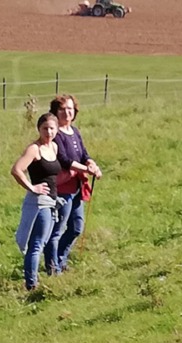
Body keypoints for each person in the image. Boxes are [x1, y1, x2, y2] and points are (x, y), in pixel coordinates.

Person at [47, 94, 101, 274]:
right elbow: (64, 160)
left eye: (70, 109)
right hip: (63, 189)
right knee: (56, 230)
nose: (67, 112)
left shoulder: (75, 131)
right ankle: (53, 268)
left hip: (76, 187)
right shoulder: (55, 135)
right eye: (62, 109)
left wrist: (91, 162)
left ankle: (60, 260)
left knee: (77, 227)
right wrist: (86, 170)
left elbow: (83, 154)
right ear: (55, 112)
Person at [12, 113, 63, 291]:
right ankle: (31, 284)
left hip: (51, 201)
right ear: (38, 129)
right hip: (39, 202)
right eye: (44, 128)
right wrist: (31, 187)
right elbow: (17, 170)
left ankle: (42, 275)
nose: (48, 132)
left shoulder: (54, 147)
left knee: (44, 241)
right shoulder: (34, 149)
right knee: (37, 244)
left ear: (56, 129)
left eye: (51, 128)